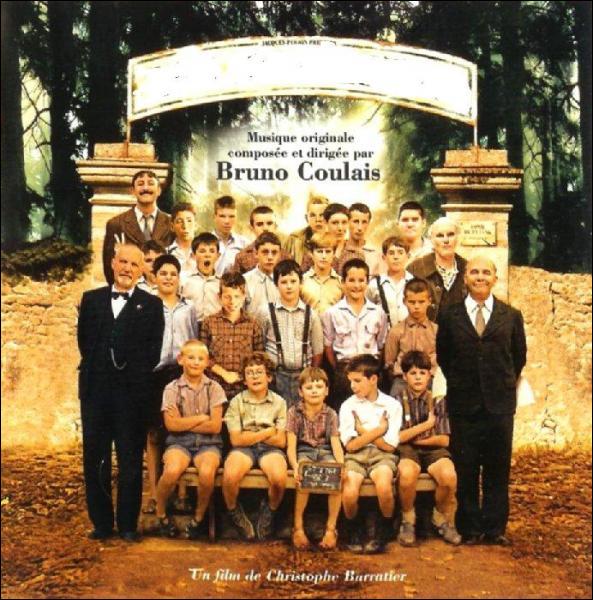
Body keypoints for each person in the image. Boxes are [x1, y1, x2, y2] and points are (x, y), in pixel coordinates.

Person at [436, 256, 527, 546]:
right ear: (465, 278)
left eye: (486, 272)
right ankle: (471, 528)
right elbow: (444, 356)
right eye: (474, 272)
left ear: (494, 278)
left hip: (499, 404)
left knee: (497, 467)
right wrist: (463, 384)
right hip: (464, 404)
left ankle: (495, 528)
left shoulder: (510, 316)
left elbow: (518, 357)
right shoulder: (449, 315)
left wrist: (497, 383)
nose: (480, 277)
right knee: (466, 466)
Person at [78, 243, 164, 541]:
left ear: (141, 271)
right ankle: (102, 523)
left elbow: (153, 353)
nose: (127, 268)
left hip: (132, 397)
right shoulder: (91, 300)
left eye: (134, 264)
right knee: (95, 459)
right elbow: (85, 344)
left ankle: (128, 524)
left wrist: (128, 378)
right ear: (113, 263)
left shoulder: (151, 305)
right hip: (95, 395)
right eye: (123, 262)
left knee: (129, 460)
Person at [143, 255, 199, 516]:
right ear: (154, 277)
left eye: (173, 274)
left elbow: (193, 340)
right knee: (155, 434)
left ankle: (181, 493)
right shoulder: (146, 306)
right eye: (163, 273)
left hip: (180, 374)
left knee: (180, 432)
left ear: (179, 278)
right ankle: (154, 493)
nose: (168, 278)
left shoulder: (189, 308)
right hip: (154, 374)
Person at [155, 340, 226, 539]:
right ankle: (161, 514)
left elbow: (215, 426)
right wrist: (201, 418)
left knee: (207, 472)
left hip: (209, 443)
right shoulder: (172, 389)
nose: (195, 362)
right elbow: (171, 426)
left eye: (200, 358)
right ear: (181, 359)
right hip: (179, 442)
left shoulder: (214, 388)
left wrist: (183, 421)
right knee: (172, 470)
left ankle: (198, 519)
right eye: (191, 357)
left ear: (207, 362)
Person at [394, 351, 461, 547]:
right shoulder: (396, 401)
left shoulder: (438, 400)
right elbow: (398, 438)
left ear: (429, 376)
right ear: (404, 376)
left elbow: (444, 440)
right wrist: (426, 426)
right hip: (407, 450)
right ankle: (408, 519)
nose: (418, 378)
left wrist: (416, 439)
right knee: (407, 473)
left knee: (448, 475)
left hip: (432, 449)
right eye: (413, 373)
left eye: (422, 373)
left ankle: (439, 518)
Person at [339, 355, 402, 554]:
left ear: (373, 379)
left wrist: (362, 431)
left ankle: (383, 529)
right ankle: (354, 528)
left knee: (384, 485)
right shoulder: (348, 405)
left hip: (382, 456)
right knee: (349, 491)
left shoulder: (391, 405)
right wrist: (378, 430)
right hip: (356, 456)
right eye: (350, 381)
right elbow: (351, 446)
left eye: (358, 381)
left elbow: (389, 447)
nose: (353, 386)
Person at [222, 352, 288, 540]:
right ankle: (234, 512)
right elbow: (236, 440)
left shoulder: (279, 402)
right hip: (243, 450)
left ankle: (269, 512)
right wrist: (266, 433)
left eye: (259, 372)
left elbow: (281, 441)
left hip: (270, 450)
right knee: (230, 475)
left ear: (269, 377)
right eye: (249, 373)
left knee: (278, 478)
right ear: (244, 380)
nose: (255, 376)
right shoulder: (237, 401)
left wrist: (249, 435)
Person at [286, 367, 344, 550]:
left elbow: (335, 443)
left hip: (325, 451)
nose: (314, 391)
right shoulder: (294, 412)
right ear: (300, 391)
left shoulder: (331, 414)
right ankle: (298, 527)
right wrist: (295, 466)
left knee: (335, 476)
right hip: (304, 451)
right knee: (304, 474)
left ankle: (331, 528)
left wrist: (341, 465)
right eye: (309, 387)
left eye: (319, 387)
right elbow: (291, 446)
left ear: (326, 391)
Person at [322, 258, 389, 408]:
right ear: (343, 282)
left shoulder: (378, 312)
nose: (357, 285)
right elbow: (328, 346)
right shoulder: (332, 313)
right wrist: (340, 368)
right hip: (344, 372)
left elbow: (381, 344)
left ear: (367, 282)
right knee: (345, 411)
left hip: (369, 371)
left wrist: (372, 367)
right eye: (351, 280)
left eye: (361, 280)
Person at [256, 260, 324, 407]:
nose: (289, 286)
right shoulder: (265, 312)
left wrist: (310, 376)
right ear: (276, 284)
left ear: (301, 283)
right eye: (283, 282)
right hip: (275, 376)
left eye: (293, 281)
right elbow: (259, 346)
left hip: (303, 376)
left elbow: (317, 350)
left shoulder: (311, 314)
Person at [199, 271, 264, 401]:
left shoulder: (253, 325)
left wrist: (241, 376)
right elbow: (203, 356)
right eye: (227, 297)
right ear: (219, 297)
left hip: (244, 388)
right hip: (214, 385)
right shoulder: (209, 322)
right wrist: (224, 373)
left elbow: (259, 357)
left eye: (237, 296)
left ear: (244, 296)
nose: (232, 301)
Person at [102, 170, 173, 284]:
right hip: (129, 289)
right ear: (132, 191)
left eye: (150, 183)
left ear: (159, 190)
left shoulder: (172, 224)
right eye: (140, 184)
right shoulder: (116, 224)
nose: (145, 188)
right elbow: (109, 268)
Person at [384, 278, 438, 397]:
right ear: (404, 301)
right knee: (395, 399)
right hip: (403, 381)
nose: (416, 306)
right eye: (412, 302)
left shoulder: (436, 331)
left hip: (431, 380)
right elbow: (389, 363)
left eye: (421, 302)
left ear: (429, 301)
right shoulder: (396, 331)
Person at [408, 217, 467, 321]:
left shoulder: (468, 268)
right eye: (440, 235)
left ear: (457, 238)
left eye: (450, 234)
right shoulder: (415, 269)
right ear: (431, 240)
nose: (446, 240)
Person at [366, 234, 413, 328]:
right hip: (383, 334)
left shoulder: (414, 282)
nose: (396, 257)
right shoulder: (375, 284)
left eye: (400, 253)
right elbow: (367, 311)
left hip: (410, 334)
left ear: (408, 256)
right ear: (384, 257)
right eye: (391, 253)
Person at [233, 206, 291, 273]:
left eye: (269, 223)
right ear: (251, 228)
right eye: (260, 224)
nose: (265, 228)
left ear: (275, 226)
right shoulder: (242, 257)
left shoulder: (286, 257)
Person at [182, 232, 222, 320]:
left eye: (212, 251)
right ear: (193, 255)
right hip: (191, 325)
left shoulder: (222, 282)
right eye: (202, 251)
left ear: (218, 256)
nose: (207, 255)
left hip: (215, 326)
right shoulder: (184, 280)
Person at [301, 232, 343, 315]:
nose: (324, 256)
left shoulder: (341, 282)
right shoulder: (302, 281)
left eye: (328, 251)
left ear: (334, 254)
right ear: (311, 254)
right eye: (319, 251)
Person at [243, 232, 282, 316]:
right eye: (265, 252)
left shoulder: (286, 280)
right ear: (256, 253)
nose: (270, 257)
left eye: (274, 252)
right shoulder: (245, 281)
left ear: (279, 255)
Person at [283, 195, 329, 265]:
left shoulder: (336, 240)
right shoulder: (294, 239)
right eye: (313, 215)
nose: (318, 219)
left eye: (322, 215)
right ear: (306, 218)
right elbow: (283, 266)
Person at [341, 203, 382, 276]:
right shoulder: (338, 250)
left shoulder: (376, 255)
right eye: (356, 221)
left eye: (364, 222)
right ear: (348, 222)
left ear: (368, 224)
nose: (360, 227)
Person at [212, 195, 249, 276]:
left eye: (231, 216)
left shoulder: (244, 244)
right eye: (222, 216)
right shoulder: (204, 242)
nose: (227, 221)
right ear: (214, 217)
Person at [166, 203, 197, 286]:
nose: (185, 226)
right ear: (172, 226)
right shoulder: (166, 253)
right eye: (179, 221)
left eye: (189, 220)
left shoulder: (205, 252)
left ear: (196, 224)